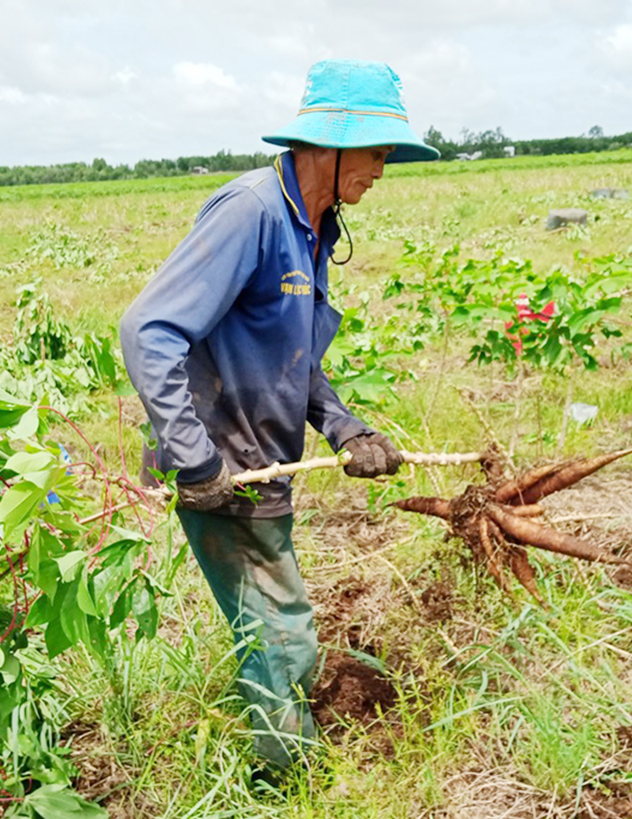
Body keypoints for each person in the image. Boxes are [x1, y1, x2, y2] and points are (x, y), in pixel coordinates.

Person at [119, 59, 438, 772]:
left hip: (262, 459)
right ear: (330, 143)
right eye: (380, 152)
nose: (383, 171)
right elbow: (149, 330)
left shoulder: (312, 228)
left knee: (273, 619)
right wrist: (195, 461)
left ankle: (286, 757)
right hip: (222, 463)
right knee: (278, 630)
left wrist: (345, 425)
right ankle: (286, 782)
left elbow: (291, 356)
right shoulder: (253, 212)